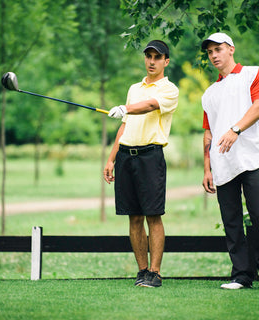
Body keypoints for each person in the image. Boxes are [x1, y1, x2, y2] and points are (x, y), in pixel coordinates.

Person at [200, 32, 259, 291]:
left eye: (218, 49)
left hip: (252, 156)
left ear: (231, 49)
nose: (214, 55)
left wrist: (235, 129)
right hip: (222, 162)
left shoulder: (253, 74)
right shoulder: (209, 93)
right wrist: (207, 168)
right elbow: (208, 132)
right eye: (210, 52)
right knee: (231, 218)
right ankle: (241, 275)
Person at [104, 40, 179, 288]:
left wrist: (125, 107)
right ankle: (142, 270)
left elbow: (149, 106)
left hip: (150, 156)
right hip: (126, 155)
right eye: (148, 56)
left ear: (166, 61)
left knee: (153, 216)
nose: (151, 61)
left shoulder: (169, 89)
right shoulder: (134, 88)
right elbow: (125, 124)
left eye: (157, 57)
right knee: (133, 217)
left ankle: (155, 273)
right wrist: (112, 157)